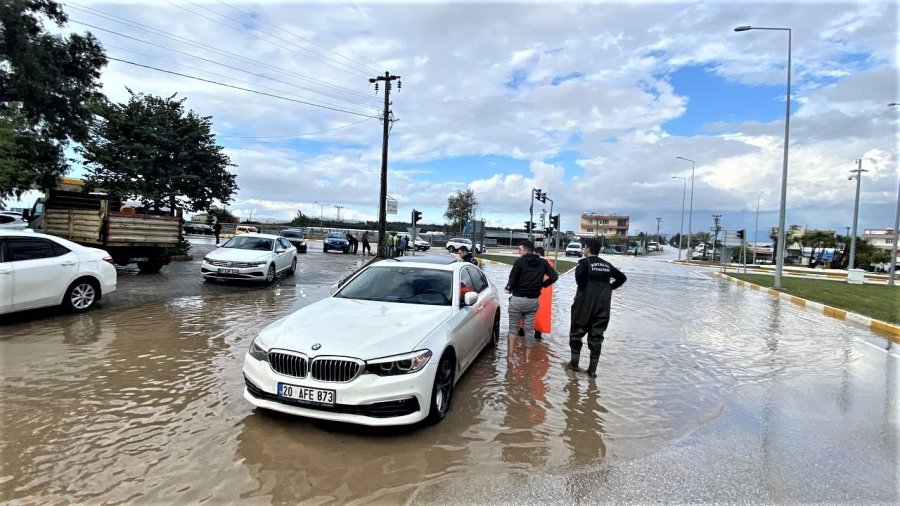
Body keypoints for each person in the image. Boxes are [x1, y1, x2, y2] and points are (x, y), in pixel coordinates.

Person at [569, 238, 627, 377]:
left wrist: (585, 291)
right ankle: (592, 371)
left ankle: (574, 366)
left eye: (584, 247)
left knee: (576, 334)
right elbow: (622, 278)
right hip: (602, 308)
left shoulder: (583, 263)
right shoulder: (607, 265)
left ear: (588, 249)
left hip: (584, 307)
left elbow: (580, 281)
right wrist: (610, 288)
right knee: (596, 338)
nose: (583, 250)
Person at [505, 240, 558, 361]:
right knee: (529, 330)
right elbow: (555, 276)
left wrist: (509, 287)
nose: (519, 252)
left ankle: (510, 357)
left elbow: (512, 280)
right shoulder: (543, 263)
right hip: (533, 301)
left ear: (526, 250)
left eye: (520, 249)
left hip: (517, 299)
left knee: (513, 328)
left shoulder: (519, 262)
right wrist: (543, 285)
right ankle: (527, 359)